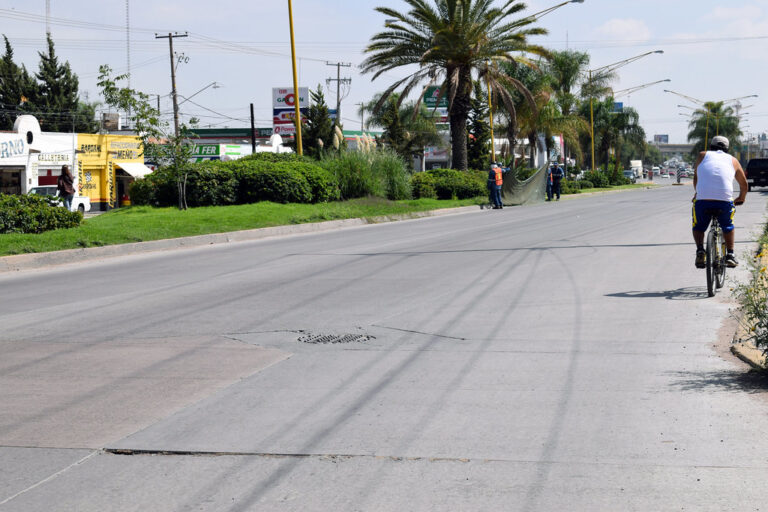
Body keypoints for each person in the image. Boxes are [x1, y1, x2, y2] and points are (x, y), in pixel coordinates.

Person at [692, 135, 748, 268]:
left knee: (698, 226)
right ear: (727, 149)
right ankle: (730, 255)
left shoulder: (702, 155)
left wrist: (698, 193)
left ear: (711, 146)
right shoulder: (733, 160)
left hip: (703, 201)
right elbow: (744, 184)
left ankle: (700, 250)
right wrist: (741, 198)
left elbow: (696, 177)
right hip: (724, 202)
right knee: (728, 226)